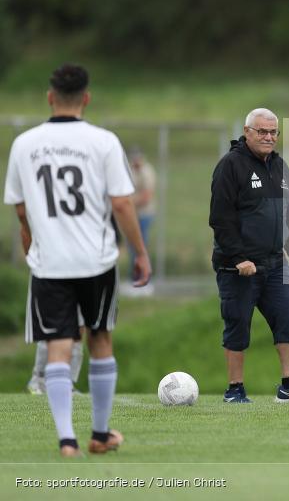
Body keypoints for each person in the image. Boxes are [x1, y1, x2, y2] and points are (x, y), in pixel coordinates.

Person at [3, 64, 152, 457]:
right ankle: (100, 435)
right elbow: (121, 203)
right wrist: (140, 252)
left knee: (58, 345)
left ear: (50, 97)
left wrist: (32, 245)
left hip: (50, 262)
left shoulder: (25, 144)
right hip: (95, 261)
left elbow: (21, 211)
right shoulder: (103, 141)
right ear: (86, 98)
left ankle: (67, 439)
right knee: (100, 339)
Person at [209, 108, 289, 404]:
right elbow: (220, 219)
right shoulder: (230, 166)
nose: (269, 137)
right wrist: (238, 258)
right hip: (239, 266)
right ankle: (235, 389)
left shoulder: (280, 167)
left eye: (273, 132)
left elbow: (288, 216)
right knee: (237, 325)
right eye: (262, 131)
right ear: (247, 132)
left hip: (276, 263)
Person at [128, 148, 156, 290]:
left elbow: (146, 197)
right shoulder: (130, 171)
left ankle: (144, 281)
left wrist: (128, 202)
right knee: (132, 250)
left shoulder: (147, 171)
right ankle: (134, 281)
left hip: (144, 215)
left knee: (141, 249)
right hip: (132, 216)